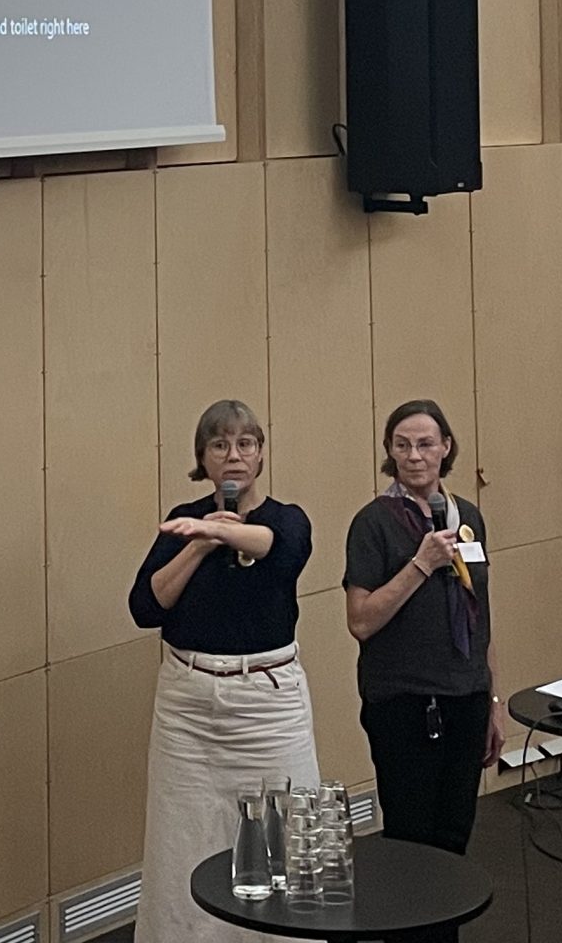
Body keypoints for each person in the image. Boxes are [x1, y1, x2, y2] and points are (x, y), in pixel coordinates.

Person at [128, 399, 318, 941]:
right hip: (188, 707)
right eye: (219, 445)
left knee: (283, 837)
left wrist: (227, 532)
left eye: (245, 444)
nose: (233, 455)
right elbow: (147, 605)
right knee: (181, 840)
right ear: (203, 458)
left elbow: (277, 549)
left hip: (267, 706)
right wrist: (199, 542)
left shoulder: (286, 518)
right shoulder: (184, 523)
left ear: (260, 455)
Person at [342, 398, 501, 855]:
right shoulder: (374, 523)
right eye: (402, 445)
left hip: (466, 697)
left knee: (455, 835)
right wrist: (421, 563)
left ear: (446, 447)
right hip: (405, 703)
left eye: (425, 444)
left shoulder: (467, 517)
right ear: (389, 451)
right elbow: (360, 621)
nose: (414, 456)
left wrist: (492, 700)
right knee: (412, 842)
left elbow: (481, 616)